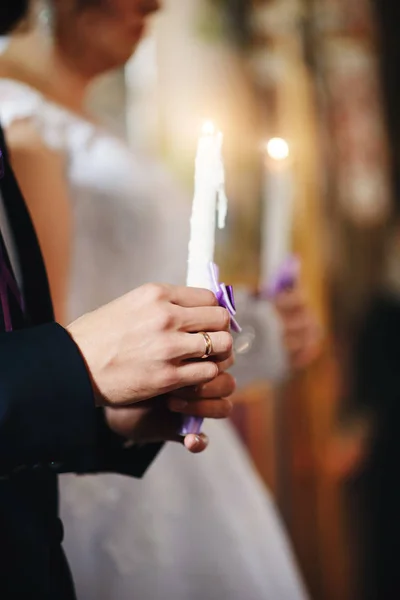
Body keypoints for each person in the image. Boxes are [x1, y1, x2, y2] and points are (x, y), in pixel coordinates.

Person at [0, 1, 320, 599]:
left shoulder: (88, 121)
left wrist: (240, 324)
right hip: (87, 476)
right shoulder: (23, 130)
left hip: (138, 432)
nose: (155, 4)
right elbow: (49, 330)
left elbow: (141, 293)